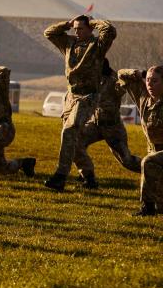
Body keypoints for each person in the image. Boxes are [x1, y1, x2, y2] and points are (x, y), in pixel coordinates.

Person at [43, 14, 117, 191]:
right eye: (75, 28)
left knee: (69, 130)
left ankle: (60, 176)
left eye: (80, 28)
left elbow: (110, 30)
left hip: (88, 96)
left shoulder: (97, 46)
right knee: (72, 140)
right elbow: (49, 33)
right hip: (70, 96)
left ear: (89, 29)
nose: (77, 31)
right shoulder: (68, 43)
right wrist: (67, 24)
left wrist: (94, 22)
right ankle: (89, 177)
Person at [72, 59, 142, 189]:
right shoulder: (93, 80)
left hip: (113, 128)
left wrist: (132, 74)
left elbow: (124, 83)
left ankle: (154, 169)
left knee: (127, 161)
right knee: (74, 142)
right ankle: (88, 177)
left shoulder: (114, 80)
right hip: (96, 124)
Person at [118, 67, 163, 216]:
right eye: (148, 80)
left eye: (155, 81)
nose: (149, 84)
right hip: (156, 155)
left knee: (148, 161)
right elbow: (121, 74)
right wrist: (140, 74)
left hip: (156, 157)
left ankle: (147, 208)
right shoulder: (144, 98)